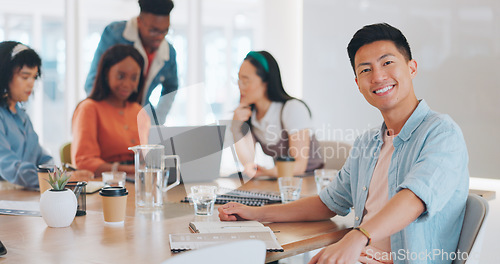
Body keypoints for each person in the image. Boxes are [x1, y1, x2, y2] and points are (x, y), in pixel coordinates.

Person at [220, 23, 469, 264]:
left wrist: (357, 237)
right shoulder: (367, 143)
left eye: (387, 63)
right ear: (358, 83)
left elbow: (414, 198)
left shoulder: (441, 133)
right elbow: (326, 203)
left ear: (412, 68)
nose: (378, 76)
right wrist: (257, 213)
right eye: (365, 70)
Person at [0, 41, 93, 189]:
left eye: (34, 77)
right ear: (4, 76)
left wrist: (58, 172)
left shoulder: (21, 116)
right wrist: (58, 177)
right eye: (25, 77)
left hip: (26, 194)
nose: (31, 83)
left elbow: (40, 156)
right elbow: (11, 168)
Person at [84, 0, 177, 125]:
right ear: (139, 21)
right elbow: (93, 81)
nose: (160, 37)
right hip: (110, 116)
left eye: (164, 31)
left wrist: (157, 121)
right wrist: (105, 117)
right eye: (153, 30)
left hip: (138, 118)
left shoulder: (169, 52)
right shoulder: (115, 34)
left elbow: (171, 87)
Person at [232, 50, 323, 178]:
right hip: (282, 182)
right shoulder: (251, 115)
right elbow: (248, 162)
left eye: (246, 81)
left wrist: (268, 172)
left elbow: (299, 166)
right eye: (239, 80)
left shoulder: (292, 108)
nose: (240, 86)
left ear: (266, 82)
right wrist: (235, 127)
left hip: (309, 182)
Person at [72, 44, 150, 177]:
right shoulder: (89, 108)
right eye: (121, 76)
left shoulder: (138, 111)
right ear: (106, 74)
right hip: (106, 185)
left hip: (138, 182)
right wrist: (131, 170)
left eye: (134, 78)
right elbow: (84, 162)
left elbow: (147, 154)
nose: (127, 84)